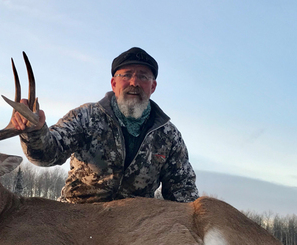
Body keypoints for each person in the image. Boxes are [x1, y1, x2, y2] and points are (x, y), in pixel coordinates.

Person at [11, 47, 199, 204]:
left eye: (143, 77)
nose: (134, 82)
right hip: (75, 220)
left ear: (153, 86)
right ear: (114, 83)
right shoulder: (86, 117)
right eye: (126, 75)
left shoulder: (168, 135)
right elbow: (47, 154)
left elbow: (183, 193)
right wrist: (35, 133)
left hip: (135, 231)